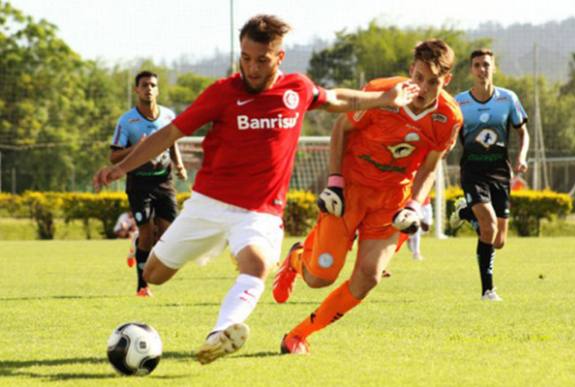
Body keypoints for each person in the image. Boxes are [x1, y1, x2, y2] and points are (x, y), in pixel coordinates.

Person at [93, 15, 419, 365]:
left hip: (260, 211)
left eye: (261, 59)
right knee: (154, 273)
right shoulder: (222, 92)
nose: (251, 67)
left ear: (279, 58)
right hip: (209, 204)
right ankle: (173, 256)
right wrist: (121, 167)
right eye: (245, 58)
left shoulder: (297, 89)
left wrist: (385, 98)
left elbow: (336, 98)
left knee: (259, 264)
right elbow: (170, 133)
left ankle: (221, 333)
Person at [272, 39, 463, 355]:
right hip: (351, 190)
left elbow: (431, 166)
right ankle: (296, 257)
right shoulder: (382, 92)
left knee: (369, 277)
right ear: (410, 71)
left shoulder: (449, 117)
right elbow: (340, 129)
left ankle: (298, 335)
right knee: (320, 277)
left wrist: (415, 205)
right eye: (418, 77)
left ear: (447, 81)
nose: (424, 87)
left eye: (433, 82)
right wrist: (334, 183)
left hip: (392, 200)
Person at [449, 49, 529, 301]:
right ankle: (488, 291)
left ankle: (465, 213)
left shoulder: (508, 98)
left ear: (494, 67)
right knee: (489, 226)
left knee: (498, 240)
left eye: (486, 64)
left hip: (500, 172)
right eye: (477, 65)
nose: (482, 69)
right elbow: (449, 133)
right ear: (471, 70)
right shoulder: (459, 102)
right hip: (472, 171)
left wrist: (521, 156)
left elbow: (522, 132)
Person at [110, 70, 188, 297]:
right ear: (137, 90)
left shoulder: (168, 116)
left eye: (153, 85)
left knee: (168, 234)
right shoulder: (127, 121)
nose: (149, 89)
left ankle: (138, 248)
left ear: (158, 89)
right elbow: (113, 157)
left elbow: (172, 142)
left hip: (164, 181)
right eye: (144, 85)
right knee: (146, 233)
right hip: (139, 183)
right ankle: (142, 287)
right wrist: (138, 148)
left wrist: (179, 164)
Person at [407, 196, 433, 261]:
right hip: (415, 203)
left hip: (426, 203)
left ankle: (409, 236)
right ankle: (416, 254)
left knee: (426, 228)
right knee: (417, 228)